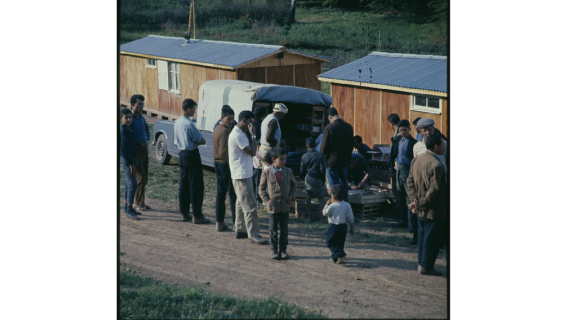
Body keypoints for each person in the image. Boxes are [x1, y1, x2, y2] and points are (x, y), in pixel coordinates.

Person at [407, 133, 447, 276]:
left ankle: (421, 264)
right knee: (432, 241)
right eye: (443, 145)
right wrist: (420, 203)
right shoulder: (437, 164)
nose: (444, 147)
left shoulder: (417, 159)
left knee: (423, 239)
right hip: (433, 211)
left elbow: (409, 182)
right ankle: (427, 267)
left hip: (420, 210)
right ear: (436, 147)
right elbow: (434, 189)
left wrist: (414, 201)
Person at [228, 110, 268, 244]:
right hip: (242, 174)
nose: (252, 125)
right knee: (250, 205)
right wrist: (253, 135)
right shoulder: (239, 135)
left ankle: (240, 229)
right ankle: (254, 234)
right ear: (244, 121)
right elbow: (252, 151)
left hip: (241, 173)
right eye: (250, 122)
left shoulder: (239, 133)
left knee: (240, 203)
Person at [174, 99, 211, 224]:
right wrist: (195, 142)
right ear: (189, 109)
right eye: (194, 108)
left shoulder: (177, 122)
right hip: (192, 154)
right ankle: (197, 215)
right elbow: (202, 140)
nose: (195, 110)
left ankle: (184, 213)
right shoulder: (190, 124)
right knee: (196, 185)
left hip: (182, 155)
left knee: (184, 185)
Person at [258, 147, 297, 259]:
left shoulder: (289, 172)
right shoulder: (267, 172)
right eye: (281, 159)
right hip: (272, 207)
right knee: (273, 229)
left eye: (285, 159)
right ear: (274, 159)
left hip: (285, 206)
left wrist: (291, 195)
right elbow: (261, 188)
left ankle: (283, 250)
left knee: (284, 230)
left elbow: (294, 185)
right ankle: (273, 250)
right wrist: (267, 201)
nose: (284, 162)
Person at [389, 120, 419, 245]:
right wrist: (395, 163)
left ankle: (411, 223)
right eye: (400, 130)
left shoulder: (414, 143)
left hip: (408, 170)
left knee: (409, 197)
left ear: (409, 130)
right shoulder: (398, 140)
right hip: (399, 169)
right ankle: (403, 220)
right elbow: (394, 154)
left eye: (405, 130)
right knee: (400, 195)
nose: (402, 132)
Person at [320, 107, 353, 202]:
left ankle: (335, 206)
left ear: (329, 117)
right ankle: (345, 205)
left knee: (333, 186)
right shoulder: (349, 127)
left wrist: (323, 161)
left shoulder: (329, 128)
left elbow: (323, 148)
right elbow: (351, 145)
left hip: (331, 162)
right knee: (344, 185)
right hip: (345, 161)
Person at [212, 105, 237, 231]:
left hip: (217, 163)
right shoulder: (226, 131)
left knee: (220, 195)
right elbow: (223, 152)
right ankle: (236, 225)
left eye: (233, 119)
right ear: (222, 118)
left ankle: (219, 222)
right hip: (225, 164)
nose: (231, 121)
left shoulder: (217, 128)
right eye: (229, 118)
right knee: (233, 195)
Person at [130, 94, 152, 212]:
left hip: (144, 150)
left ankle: (141, 202)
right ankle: (136, 203)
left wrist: (147, 139)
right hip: (135, 151)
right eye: (139, 103)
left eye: (143, 104)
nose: (142, 106)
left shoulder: (142, 118)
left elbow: (147, 129)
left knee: (145, 178)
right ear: (133, 104)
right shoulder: (129, 118)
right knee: (140, 178)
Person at [323, 185, 355, 264]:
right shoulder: (347, 205)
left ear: (332, 196)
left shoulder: (333, 206)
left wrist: (327, 204)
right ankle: (335, 257)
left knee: (330, 242)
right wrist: (352, 228)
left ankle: (340, 254)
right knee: (340, 243)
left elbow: (325, 213)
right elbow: (351, 218)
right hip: (343, 227)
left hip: (334, 227)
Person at [120, 108, 141, 220]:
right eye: (126, 117)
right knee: (132, 183)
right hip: (128, 160)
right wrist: (131, 164)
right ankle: (129, 208)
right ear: (121, 118)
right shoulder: (123, 130)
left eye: (130, 117)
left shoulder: (127, 128)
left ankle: (127, 206)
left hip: (131, 159)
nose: (128, 119)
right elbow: (124, 150)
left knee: (128, 183)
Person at [300, 137, 326, 222]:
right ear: (315, 145)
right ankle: (322, 218)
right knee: (321, 198)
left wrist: (303, 178)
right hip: (317, 178)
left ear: (306, 146)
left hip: (308, 178)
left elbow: (302, 170)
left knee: (308, 197)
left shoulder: (304, 156)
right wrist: (323, 179)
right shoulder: (319, 155)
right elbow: (322, 169)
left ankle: (309, 217)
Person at [259, 103, 288, 169]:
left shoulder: (268, 117)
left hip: (263, 148)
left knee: (265, 172)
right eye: (283, 115)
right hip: (268, 149)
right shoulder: (273, 121)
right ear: (280, 113)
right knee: (270, 173)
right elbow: (269, 138)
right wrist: (279, 143)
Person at [252, 139, 264, 206]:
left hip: (256, 169)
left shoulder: (254, 152)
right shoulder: (258, 153)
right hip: (258, 169)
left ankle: (256, 197)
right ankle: (257, 199)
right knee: (258, 184)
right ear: (258, 146)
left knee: (256, 184)